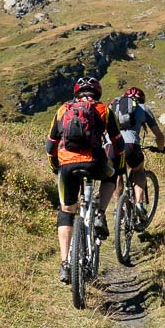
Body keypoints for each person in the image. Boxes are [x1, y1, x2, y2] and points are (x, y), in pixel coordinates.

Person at [45, 77, 125, 284]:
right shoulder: (104, 110)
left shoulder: (63, 109)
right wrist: (120, 164)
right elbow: (118, 143)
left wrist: (56, 166)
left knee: (66, 211)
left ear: (76, 93)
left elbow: (50, 144)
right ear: (96, 93)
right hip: (95, 162)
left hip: (67, 165)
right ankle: (99, 214)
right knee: (112, 175)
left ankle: (65, 263)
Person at [109, 87, 165, 224]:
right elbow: (159, 136)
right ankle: (139, 203)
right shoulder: (143, 109)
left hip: (111, 146)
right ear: (142, 99)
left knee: (117, 174)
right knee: (139, 170)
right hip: (131, 145)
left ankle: (118, 209)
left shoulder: (112, 106)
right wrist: (161, 148)